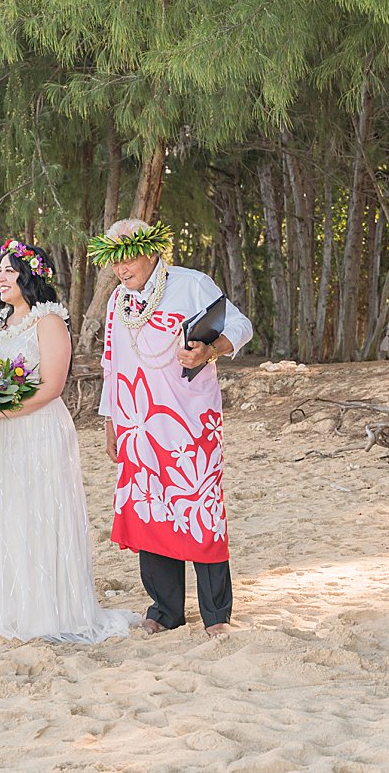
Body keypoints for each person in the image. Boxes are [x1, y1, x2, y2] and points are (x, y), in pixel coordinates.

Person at [91, 219, 253, 637]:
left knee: (200, 512)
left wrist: (210, 350)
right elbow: (111, 364)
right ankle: (165, 610)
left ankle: (216, 615)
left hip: (189, 421)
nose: (121, 269)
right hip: (136, 423)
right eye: (114, 262)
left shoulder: (190, 283)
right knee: (150, 511)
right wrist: (111, 420)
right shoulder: (117, 302)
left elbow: (240, 326)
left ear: (150, 251)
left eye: (127, 258)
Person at [0, 239, 134, 642]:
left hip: (38, 431)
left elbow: (51, 386)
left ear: (30, 276)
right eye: (0, 270)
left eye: (10, 270)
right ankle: (14, 609)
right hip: (0, 439)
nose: (1, 277)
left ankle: (50, 613)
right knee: (7, 515)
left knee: (40, 513)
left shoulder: (49, 322)